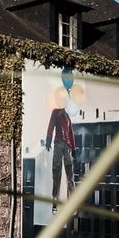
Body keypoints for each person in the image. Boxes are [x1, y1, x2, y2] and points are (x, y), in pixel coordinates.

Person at [44, 71, 79, 209]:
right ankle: (55, 201)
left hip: (67, 147)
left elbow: (71, 133)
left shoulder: (68, 118)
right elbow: (50, 126)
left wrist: (74, 149)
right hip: (58, 144)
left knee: (69, 175)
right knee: (56, 172)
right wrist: (48, 138)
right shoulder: (55, 112)